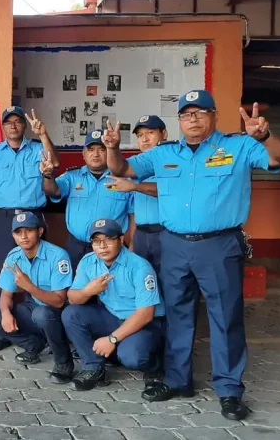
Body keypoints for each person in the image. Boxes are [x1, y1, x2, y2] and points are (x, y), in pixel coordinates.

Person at [106, 90, 280, 420]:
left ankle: (229, 390)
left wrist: (265, 136)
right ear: (179, 121)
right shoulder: (163, 154)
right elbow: (123, 169)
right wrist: (113, 147)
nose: (193, 119)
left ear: (214, 115)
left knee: (224, 318)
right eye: (187, 114)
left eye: (200, 112)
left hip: (219, 245)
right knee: (178, 315)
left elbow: (278, 159)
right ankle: (178, 379)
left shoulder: (238, 146)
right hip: (173, 244)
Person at [0, 106, 60, 353]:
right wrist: (7, 205)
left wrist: (44, 135)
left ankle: (39, 330)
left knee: (36, 272)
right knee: (3, 272)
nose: (13, 126)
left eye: (17, 122)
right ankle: (2, 332)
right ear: (3, 127)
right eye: (8, 123)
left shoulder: (38, 148)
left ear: (24, 126)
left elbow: (54, 163)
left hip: (32, 216)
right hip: (4, 218)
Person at [102, 115, 168, 387]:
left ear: (163, 134)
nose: (144, 139)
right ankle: (141, 343)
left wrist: (136, 185)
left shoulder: (171, 158)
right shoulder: (138, 165)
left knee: (169, 296)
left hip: (168, 235)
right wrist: (112, 147)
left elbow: (171, 190)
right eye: (140, 134)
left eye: (150, 133)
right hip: (142, 235)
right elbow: (118, 170)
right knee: (142, 292)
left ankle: (164, 360)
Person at [62, 219, 164, 392]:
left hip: (144, 323)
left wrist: (111, 339)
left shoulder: (139, 266)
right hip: (113, 316)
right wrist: (88, 291)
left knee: (131, 358)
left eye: (108, 239)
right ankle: (94, 368)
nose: (102, 246)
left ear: (121, 239)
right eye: (96, 241)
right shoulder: (88, 262)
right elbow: (72, 297)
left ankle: (157, 365)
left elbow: (146, 313)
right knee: (71, 314)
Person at [0, 212, 74, 383]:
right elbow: (6, 295)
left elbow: (59, 300)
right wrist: (5, 313)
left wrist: (28, 286)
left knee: (42, 314)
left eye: (29, 231)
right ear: (13, 236)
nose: (23, 236)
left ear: (39, 231)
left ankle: (63, 363)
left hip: (58, 312)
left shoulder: (58, 256)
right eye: (18, 232)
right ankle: (34, 345)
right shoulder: (14, 256)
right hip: (33, 307)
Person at [41, 129, 135, 271]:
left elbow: (133, 217)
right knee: (77, 290)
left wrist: (132, 246)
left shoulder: (124, 180)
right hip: (77, 247)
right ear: (83, 154)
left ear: (110, 151)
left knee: (113, 290)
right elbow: (53, 191)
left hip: (111, 248)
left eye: (101, 149)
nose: (95, 154)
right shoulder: (72, 176)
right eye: (90, 149)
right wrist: (48, 176)